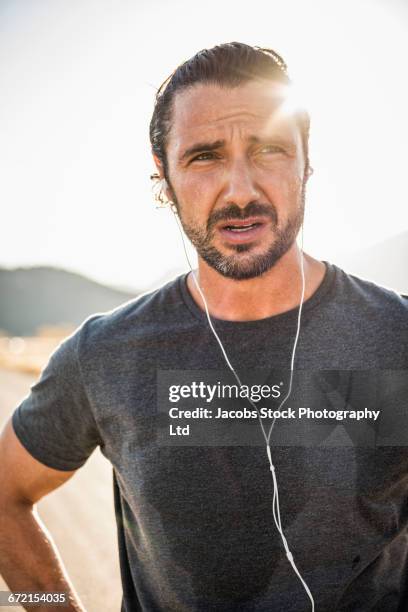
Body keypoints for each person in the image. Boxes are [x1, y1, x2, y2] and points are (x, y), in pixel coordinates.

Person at [0, 42, 407, 612]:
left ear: (306, 162)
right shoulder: (104, 354)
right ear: (162, 175)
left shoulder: (397, 337)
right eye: (205, 156)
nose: (240, 191)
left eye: (269, 150)